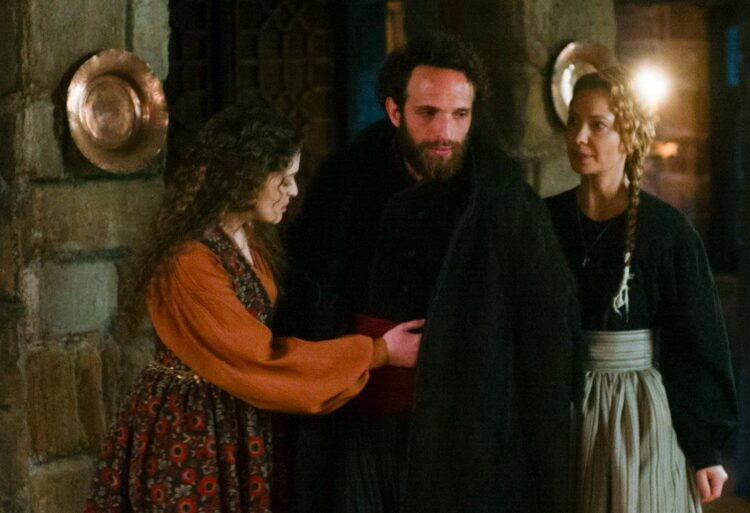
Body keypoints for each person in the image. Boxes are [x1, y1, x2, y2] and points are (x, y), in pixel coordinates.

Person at [278, 31, 578, 513]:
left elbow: (545, 336)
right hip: (356, 425)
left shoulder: (504, 200)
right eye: (428, 113)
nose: (445, 133)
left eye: (460, 115)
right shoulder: (344, 185)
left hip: (459, 438)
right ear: (395, 111)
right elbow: (305, 300)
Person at [84, 105, 423, 513]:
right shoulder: (190, 260)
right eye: (282, 179)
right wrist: (376, 351)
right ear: (243, 177)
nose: (292, 191)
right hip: (193, 426)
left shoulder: (247, 236)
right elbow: (259, 359)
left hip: (236, 415)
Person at [545, 66, 738, 513]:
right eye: (574, 122)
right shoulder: (544, 222)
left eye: (598, 125)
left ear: (628, 137)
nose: (579, 137)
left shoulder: (666, 231)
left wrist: (705, 448)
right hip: (562, 409)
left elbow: (696, 344)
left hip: (639, 418)